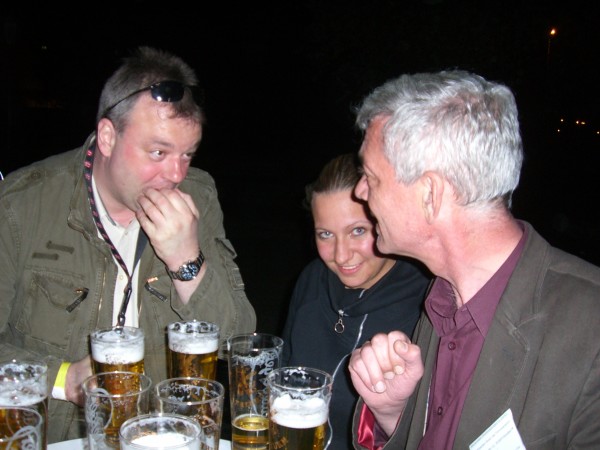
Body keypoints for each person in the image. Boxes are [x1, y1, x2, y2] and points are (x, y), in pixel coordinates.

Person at [0, 46, 256, 443]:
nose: (176, 174)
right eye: (158, 152)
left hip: (162, 436)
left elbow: (236, 340)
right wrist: (64, 378)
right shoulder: (21, 205)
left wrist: (186, 260)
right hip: (59, 437)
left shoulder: (198, 198)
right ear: (107, 137)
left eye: (187, 154)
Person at [348, 70, 600, 449]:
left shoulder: (590, 332)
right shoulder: (443, 300)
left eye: (371, 177)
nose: (360, 190)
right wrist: (392, 413)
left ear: (430, 195)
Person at [280, 153, 431, 449]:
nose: (341, 255)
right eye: (325, 234)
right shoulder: (312, 279)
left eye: (357, 231)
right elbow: (281, 374)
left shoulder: (428, 304)